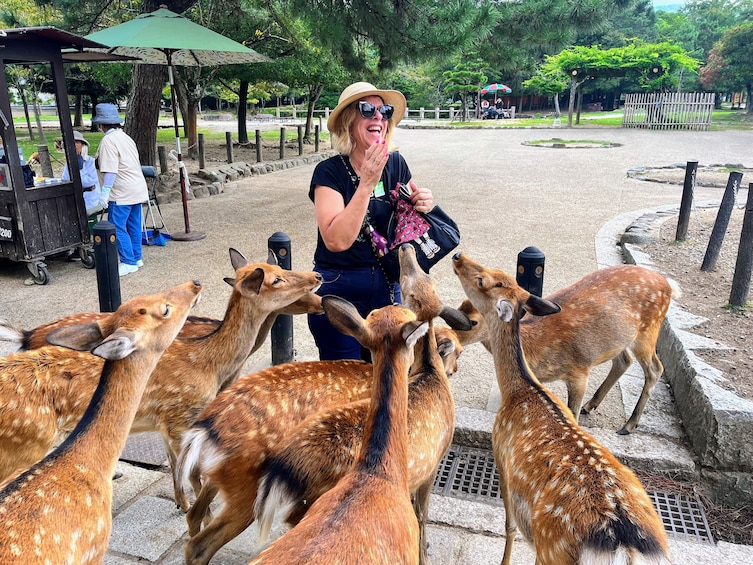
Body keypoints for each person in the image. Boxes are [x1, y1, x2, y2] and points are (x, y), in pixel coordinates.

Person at [307, 81, 435, 361]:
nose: (378, 117)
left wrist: (424, 202)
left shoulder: (396, 164)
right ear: (349, 120)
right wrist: (366, 184)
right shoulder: (329, 173)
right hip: (341, 288)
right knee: (346, 385)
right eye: (368, 109)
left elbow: (412, 213)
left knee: (387, 379)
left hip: (389, 287)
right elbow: (336, 240)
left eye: (384, 111)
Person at [92, 103, 148, 277]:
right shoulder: (125, 137)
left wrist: (105, 192)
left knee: (117, 226)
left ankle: (128, 261)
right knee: (134, 224)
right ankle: (137, 257)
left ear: (101, 124)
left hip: (121, 191)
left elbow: (110, 170)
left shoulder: (108, 141)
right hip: (137, 188)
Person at [60, 130, 104, 215]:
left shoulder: (91, 162)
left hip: (90, 203)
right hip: (74, 202)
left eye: (77, 142)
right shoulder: (68, 164)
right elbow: (65, 181)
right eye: (72, 143)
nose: (75, 145)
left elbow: (87, 182)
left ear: (83, 146)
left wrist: (80, 167)